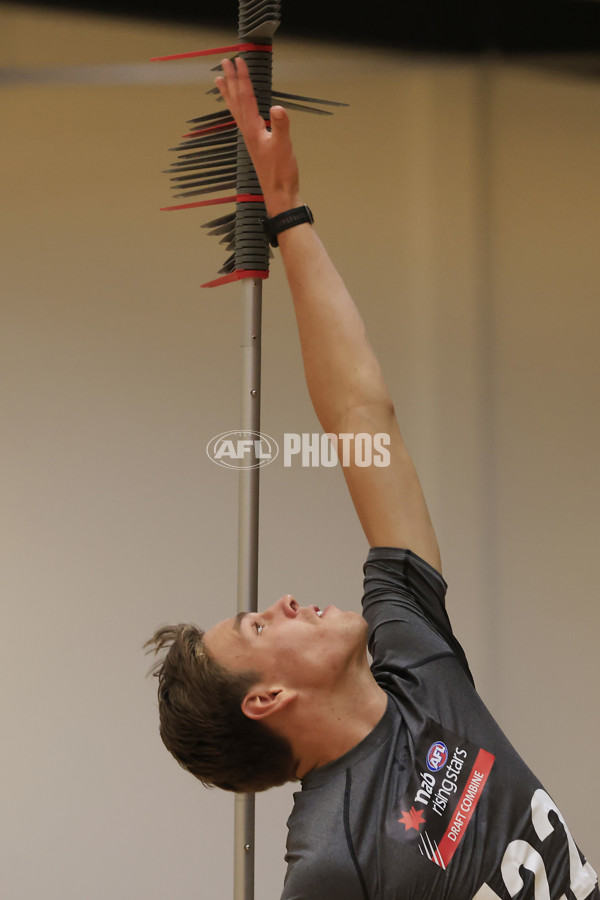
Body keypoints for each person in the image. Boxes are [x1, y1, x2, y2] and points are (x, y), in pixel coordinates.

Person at [145, 57, 598, 900]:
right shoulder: (330, 865)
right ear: (266, 696)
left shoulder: (416, 659)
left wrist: (288, 212)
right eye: (256, 622)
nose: (282, 599)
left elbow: (365, 423)